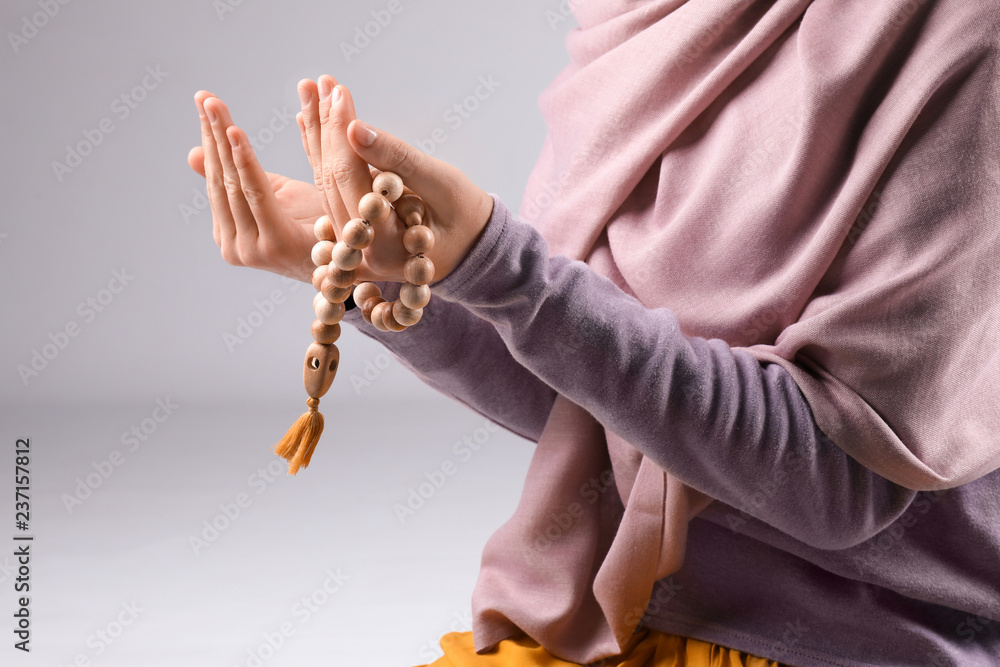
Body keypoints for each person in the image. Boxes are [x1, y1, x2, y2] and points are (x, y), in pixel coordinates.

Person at [187, 1, 1000, 665]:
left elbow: (842, 483)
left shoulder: (965, 41)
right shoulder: (642, 25)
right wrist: (405, 280)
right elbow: (607, 416)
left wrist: (501, 270)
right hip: (603, 622)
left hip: (867, 643)